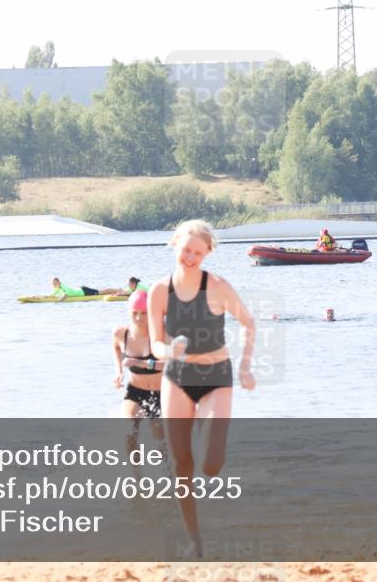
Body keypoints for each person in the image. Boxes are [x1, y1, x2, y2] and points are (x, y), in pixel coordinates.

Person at [147, 219, 256, 557]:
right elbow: (155, 344)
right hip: (176, 378)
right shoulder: (158, 290)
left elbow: (248, 322)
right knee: (181, 464)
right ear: (175, 245)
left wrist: (245, 365)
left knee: (210, 464)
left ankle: (208, 442)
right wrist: (170, 351)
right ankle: (195, 541)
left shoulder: (219, 287)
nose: (191, 257)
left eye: (198, 252)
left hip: (215, 378)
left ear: (208, 253)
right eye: (186, 250)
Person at [112, 290, 164, 448]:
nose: (139, 318)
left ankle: (170, 472)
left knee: (159, 437)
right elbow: (116, 348)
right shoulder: (121, 333)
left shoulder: (161, 333)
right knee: (127, 428)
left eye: (144, 313)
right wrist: (118, 371)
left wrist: (142, 363)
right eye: (135, 313)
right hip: (135, 390)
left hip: (161, 393)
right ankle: (135, 473)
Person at [49, 277, 121, 300]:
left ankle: (118, 290)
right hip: (80, 289)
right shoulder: (58, 288)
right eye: (53, 284)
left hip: (84, 291)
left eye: (55, 283)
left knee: (102, 292)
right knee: (102, 291)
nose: (54, 285)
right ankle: (115, 291)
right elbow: (52, 295)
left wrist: (58, 300)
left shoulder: (63, 286)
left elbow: (65, 295)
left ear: (59, 282)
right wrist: (39, 297)